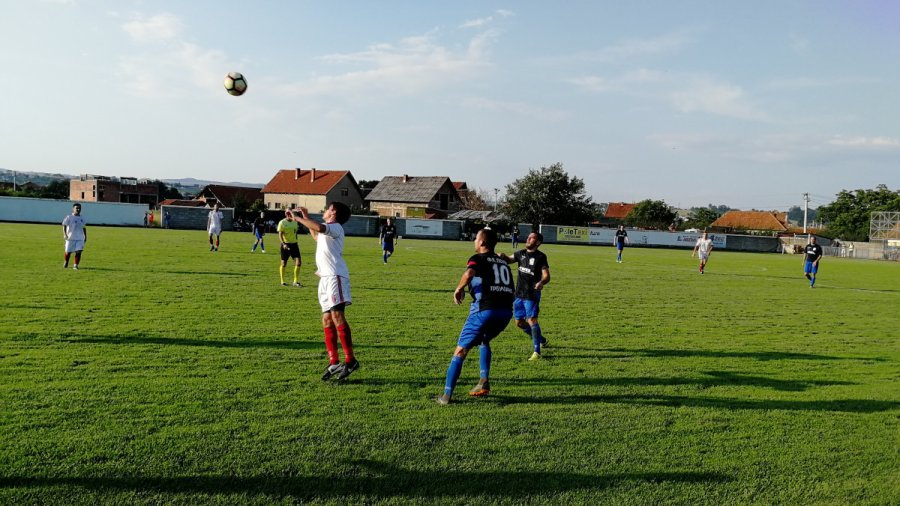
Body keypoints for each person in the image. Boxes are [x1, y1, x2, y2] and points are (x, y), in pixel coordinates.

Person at [437, 228, 515, 405]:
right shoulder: (503, 263)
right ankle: (483, 381)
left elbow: (469, 273)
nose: (474, 241)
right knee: (484, 340)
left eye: (476, 238)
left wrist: (459, 289)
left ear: (482, 242)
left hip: (484, 310)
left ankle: (446, 396)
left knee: (460, 351)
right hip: (505, 312)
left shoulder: (477, 258)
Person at [293, 203, 359, 381]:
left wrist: (298, 218)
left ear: (334, 212)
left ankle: (351, 360)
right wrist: (305, 217)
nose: (325, 211)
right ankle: (334, 362)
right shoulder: (329, 230)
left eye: (327, 209)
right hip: (325, 278)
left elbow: (320, 228)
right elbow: (316, 235)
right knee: (326, 319)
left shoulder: (335, 227)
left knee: (337, 316)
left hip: (335, 276)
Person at [499, 232, 551, 360]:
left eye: (531, 238)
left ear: (537, 242)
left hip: (531, 294)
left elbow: (546, 276)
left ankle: (536, 351)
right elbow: (510, 260)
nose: (528, 239)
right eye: (528, 237)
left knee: (532, 320)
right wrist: (503, 256)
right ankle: (542, 339)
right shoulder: (520, 253)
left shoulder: (541, 257)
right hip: (518, 294)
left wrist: (541, 282)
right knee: (520, 323)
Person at [276, 210, 302, 286]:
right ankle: (282, 281)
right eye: (292, 215)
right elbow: (280, 235)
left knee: (298, 262)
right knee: (283, 264)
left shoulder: (295, 222)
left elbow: (295, 232)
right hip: (285, 245)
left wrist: (295, 241)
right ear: (288, 215)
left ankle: (295, 281)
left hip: (294, 245)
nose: (293, 217)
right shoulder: (282, 223)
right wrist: (283, 244)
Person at [62, 203, 87, 270]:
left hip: (80, 238)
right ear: (73, 209)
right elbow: (64, 225)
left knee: (79, 251)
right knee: (68, 252)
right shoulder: (69, 217)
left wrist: (85, 236)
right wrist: (65, 234)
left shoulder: (82, 218)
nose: (78, 209)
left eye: (79, 208)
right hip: (70, 238)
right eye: (77, 208)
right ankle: (66, 262)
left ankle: (75, 265)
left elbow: (84, 227)